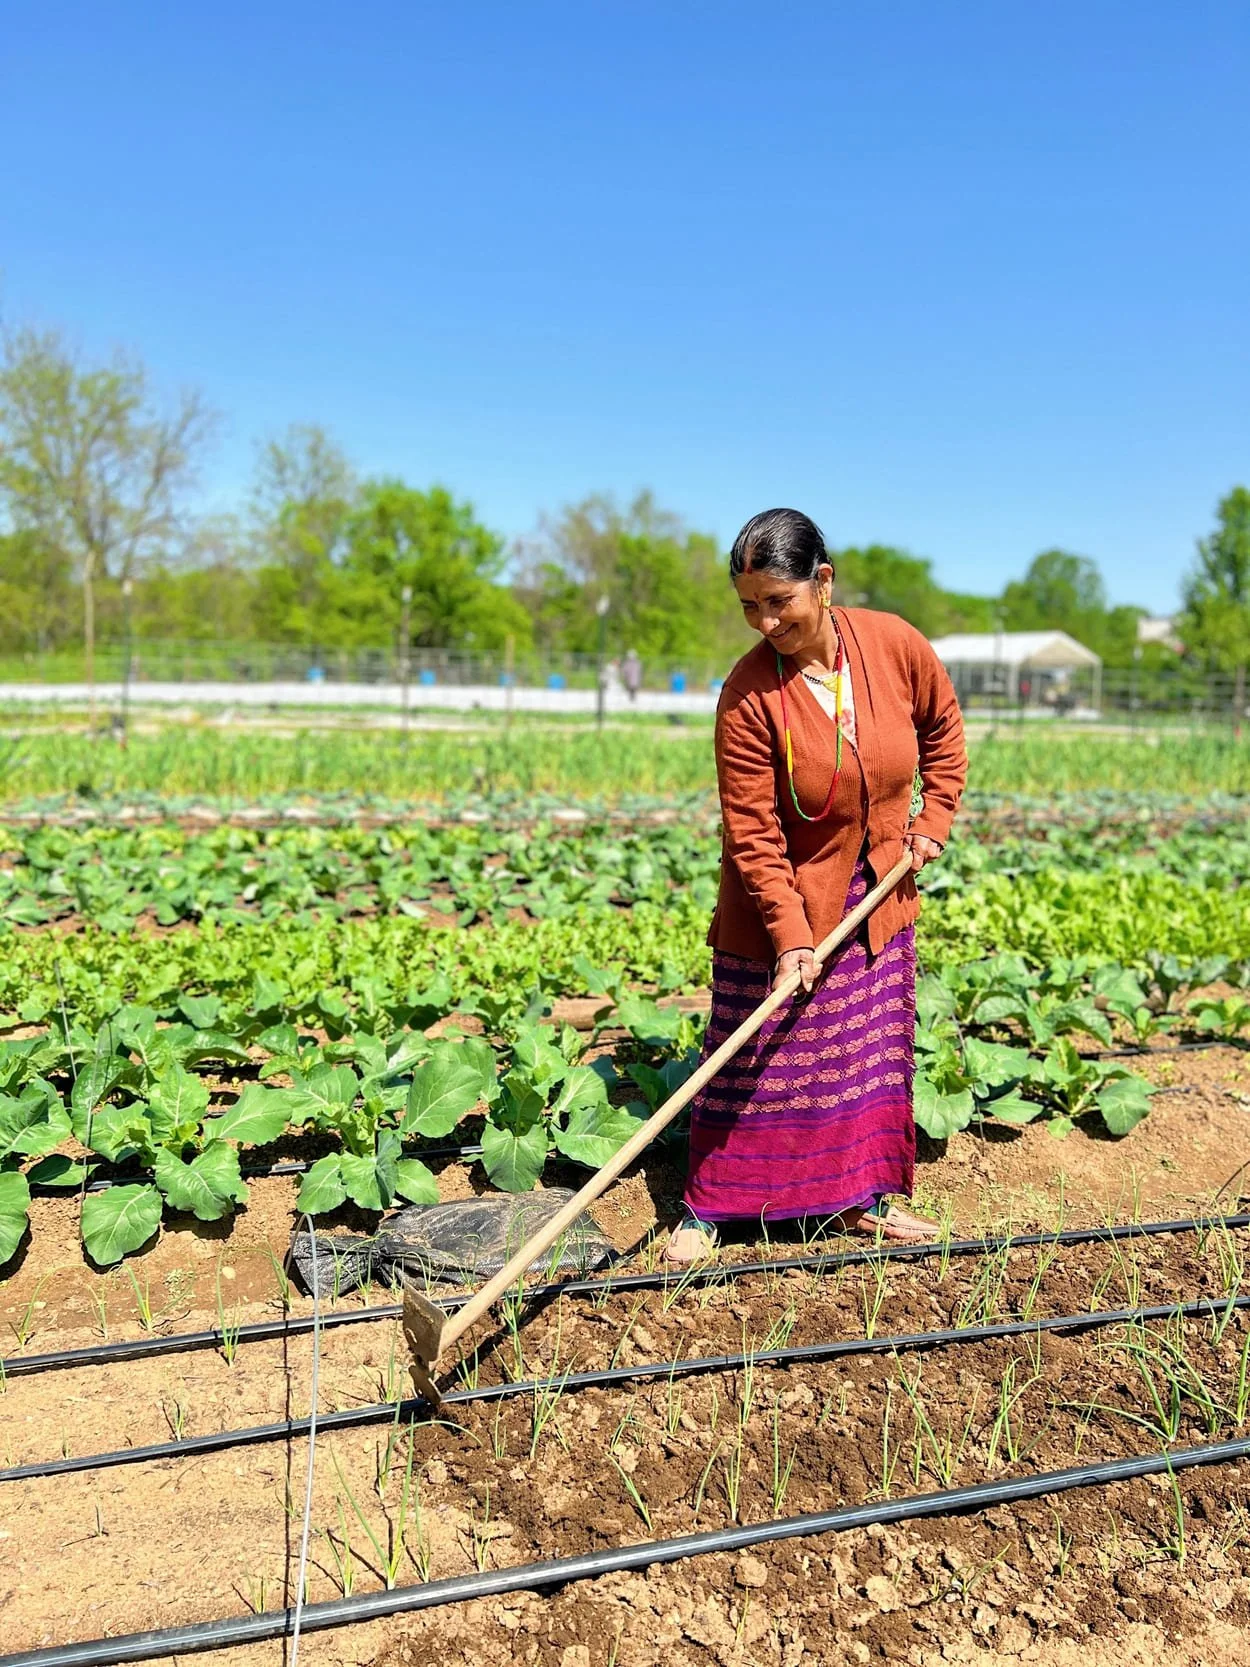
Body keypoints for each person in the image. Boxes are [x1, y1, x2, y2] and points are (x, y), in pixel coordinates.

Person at [665, 508, 967, 1264]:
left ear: (822, 581)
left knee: (861, 1055)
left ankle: (861, 1200)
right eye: (748, 605)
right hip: (777, 902)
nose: (764, 620)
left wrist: (934, 819)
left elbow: (944, 728)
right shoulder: (746, 696)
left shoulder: (895, 645)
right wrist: (792, 937)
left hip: (879, 891)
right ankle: (712, 1206)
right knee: (756, 1056)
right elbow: (754, 833)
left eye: (779, 601)